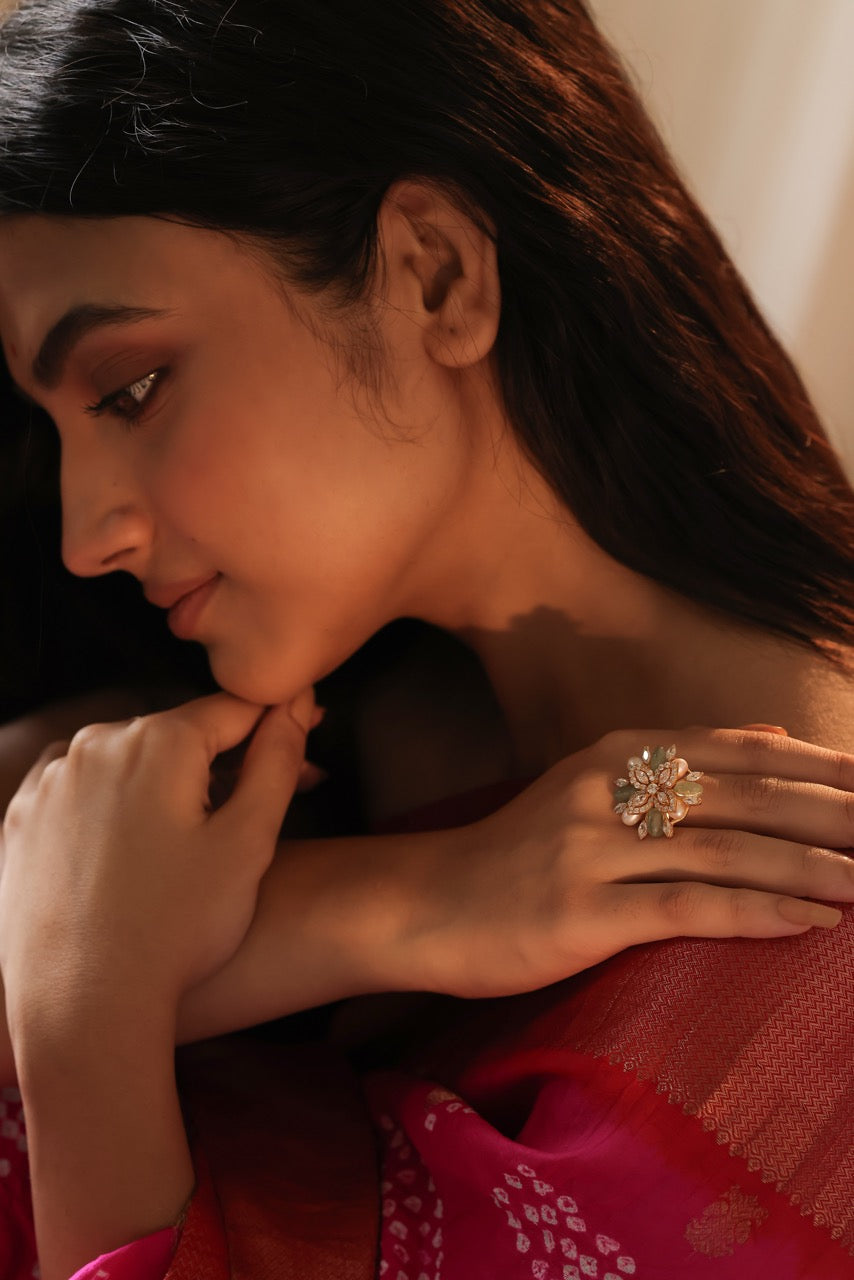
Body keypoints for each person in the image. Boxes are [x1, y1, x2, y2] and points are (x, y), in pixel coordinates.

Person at [0, 0, 851, 1277]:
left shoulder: (800, 974)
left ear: (434, 274)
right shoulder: (255, 761)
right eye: (57, 427)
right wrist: (387, 906)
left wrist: (88, 1026)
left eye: (130, 389)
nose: (86, 532)